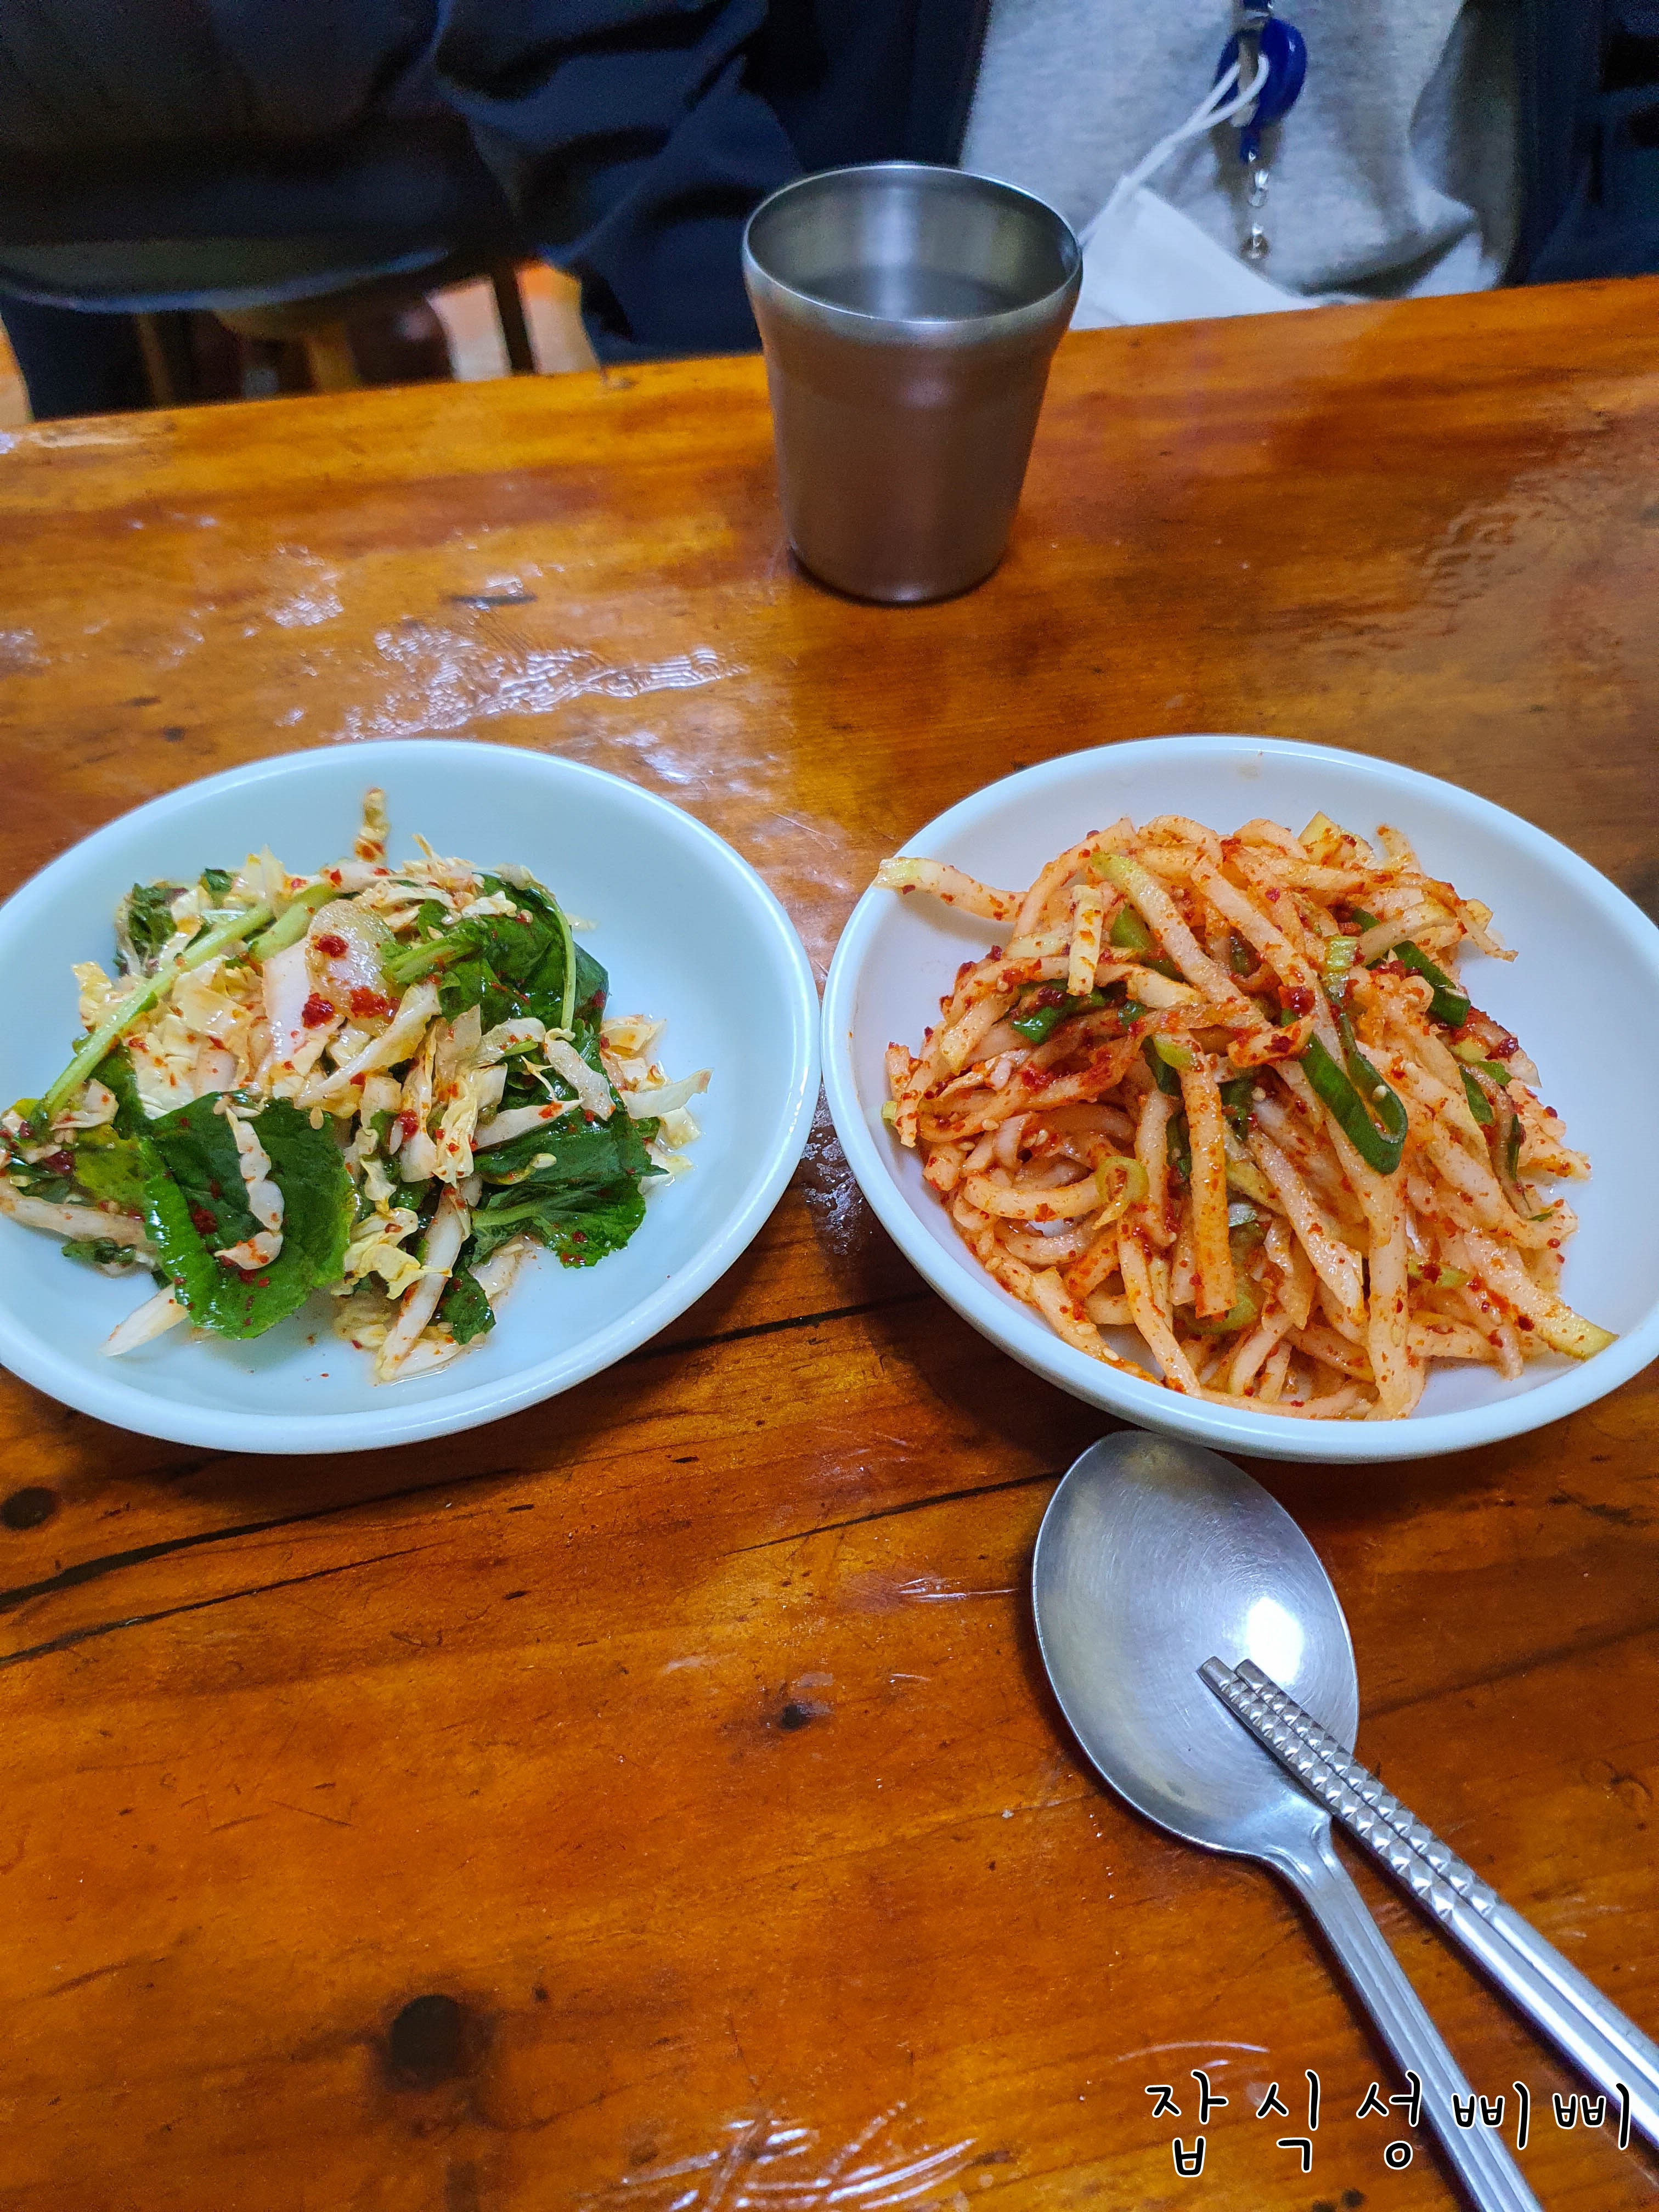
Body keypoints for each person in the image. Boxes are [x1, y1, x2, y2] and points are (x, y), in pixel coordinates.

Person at [1, 0, 1655, 417]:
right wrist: (770, 357)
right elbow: (582, 50)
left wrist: (1581, 358)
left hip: (1476, 375)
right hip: (894, 386)